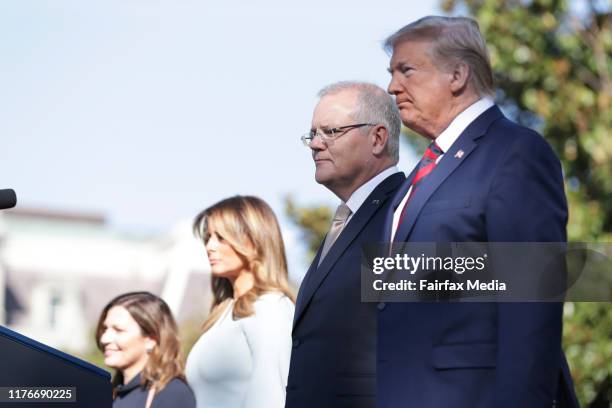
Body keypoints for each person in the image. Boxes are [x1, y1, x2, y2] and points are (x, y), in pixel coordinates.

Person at [379, 16, 579, 407]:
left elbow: (532, 300)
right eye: (391, 73)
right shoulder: (415, 179)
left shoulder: (515, 153)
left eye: (406, 70)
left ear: (457, 74)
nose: (392, 87)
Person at [286, 82, 404, 408]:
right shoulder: (347, 219)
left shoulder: (405, 211)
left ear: (377, 138)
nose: (316, 144)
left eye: (331, 131)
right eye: (313, 134)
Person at [186, 195, 295, 408]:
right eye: (208, 237)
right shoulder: (225, 313)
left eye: (221, 237)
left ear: (254, 240)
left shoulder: (271, 307)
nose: (209, 246)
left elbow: (273, 399)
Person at [96, 291, 196, 408]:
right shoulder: (109, 394)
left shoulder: (173, 394)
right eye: (105, 329)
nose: (104, 339)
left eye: (118, 330)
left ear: (151, 339)